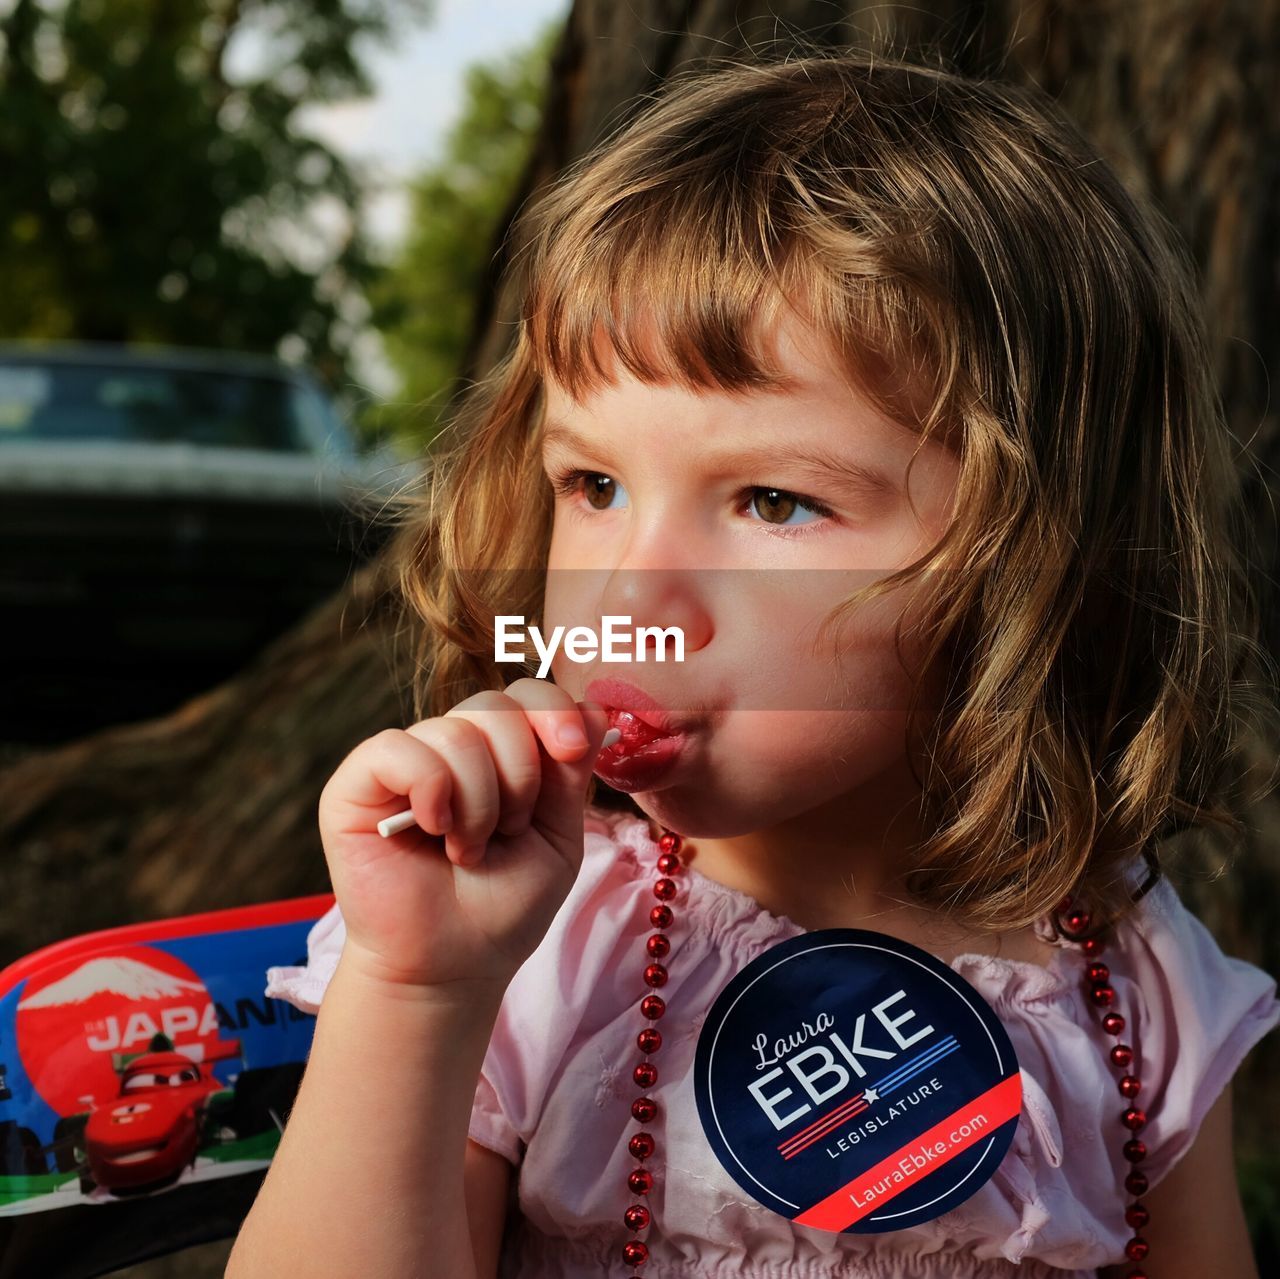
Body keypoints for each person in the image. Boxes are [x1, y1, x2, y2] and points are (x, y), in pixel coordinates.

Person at [226, 49, 1280, 1279]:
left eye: (774, 502)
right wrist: (414, 993)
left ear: (1038, 562)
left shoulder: (1128, 975)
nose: (629, 594)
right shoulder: (533, 945)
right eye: (595, 484)